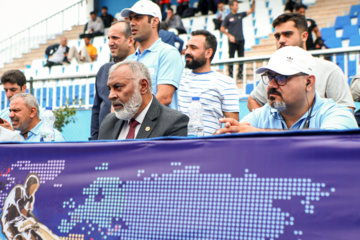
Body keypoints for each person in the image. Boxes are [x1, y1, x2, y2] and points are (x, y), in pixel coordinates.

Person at [216, 46, 358, 134]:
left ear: (308, 82)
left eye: (282, 77)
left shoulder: (337, 114)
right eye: (269, 76)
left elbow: (325, 144)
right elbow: (236, 136)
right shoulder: (260, 116)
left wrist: (256, 134)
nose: (271, 85)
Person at [247, 13, 355, 111]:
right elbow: (253, 100)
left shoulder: (329, 70)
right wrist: (269, 126)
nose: (281, 40)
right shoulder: (273, 72)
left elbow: (346, 111)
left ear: (304, 36)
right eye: (277, 36)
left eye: (287, 34)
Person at [98, 60, 189, 140]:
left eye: (118, 87)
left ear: (143, 86)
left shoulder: (173, 122)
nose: (110, 96)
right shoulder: (109, 122)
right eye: (110, 89)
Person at [121, 0, 184, 110]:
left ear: (155, 21)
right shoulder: (129, 60)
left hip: (161, 126)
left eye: (138, 17)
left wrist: (132, 114)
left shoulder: (168, 53)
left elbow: (164, 98)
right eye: (131, 18)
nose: (132, 23)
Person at [179, 30, 239, 136]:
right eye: (187, 47)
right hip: (177, 145)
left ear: (208, 53)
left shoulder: (226, 83)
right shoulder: (178, 78)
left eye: (193, 48)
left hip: (209, 147)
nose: (187, 52)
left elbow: (233, 126)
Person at [90, 20, 136, 140]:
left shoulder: (140, 69)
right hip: (104, 142)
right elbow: (96, 109)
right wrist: (94, 139)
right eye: (109, 38)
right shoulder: (103, 70)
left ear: (130, 40)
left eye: (115, 38)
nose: (110, 43)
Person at [1, 174, 59, 239]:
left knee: (33, 235)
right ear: (28, 186)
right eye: (32, 188)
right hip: (9, 221)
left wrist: (34, 224)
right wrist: (29, 222)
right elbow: (22, 211)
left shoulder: (30, 198)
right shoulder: (19, 190)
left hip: (20, 221)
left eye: (35, 189)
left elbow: (27, 213)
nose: (33, 191)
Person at [220, 0, 255, 80]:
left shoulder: (240, 15)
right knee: (231, 58)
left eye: (237, 5)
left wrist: (253, 2)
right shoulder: (228, 17)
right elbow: (222, 29)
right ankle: (231, 75)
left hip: (241, 39)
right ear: (231, 6)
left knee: (241, 58)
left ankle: (240, 75)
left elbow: (251, 10)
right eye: (236, 5)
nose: (237, 6)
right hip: (232, 41)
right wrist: (229, 35)